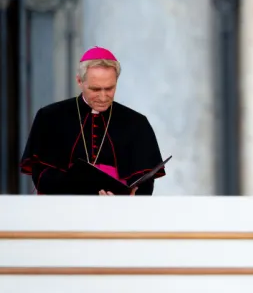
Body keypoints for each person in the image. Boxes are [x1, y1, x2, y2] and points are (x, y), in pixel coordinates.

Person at [20, 46, 166, 195]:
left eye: (109, 89)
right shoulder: (50, 117)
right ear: (79, 81)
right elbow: (41, 176)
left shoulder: (136, 123)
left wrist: (125, 199)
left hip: (118, 207)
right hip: (64, 205)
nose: (103, 97)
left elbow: (144, 183)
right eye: (95, 89)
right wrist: (85, 192)